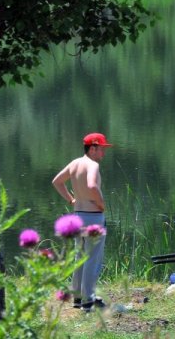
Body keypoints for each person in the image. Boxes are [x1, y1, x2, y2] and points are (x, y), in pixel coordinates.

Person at [52, 132, 111, 312]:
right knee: (92, 259)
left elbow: (57, 181)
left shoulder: (75, 163)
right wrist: (101, 204)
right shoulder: (92, 165)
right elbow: (92, 185)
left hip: (78, 216)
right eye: (101, 149)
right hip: (93, 217)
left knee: (80, 257)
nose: (103, 153)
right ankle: (88, 300)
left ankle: (77, 297)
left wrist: (71, 199)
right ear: (92, 148)